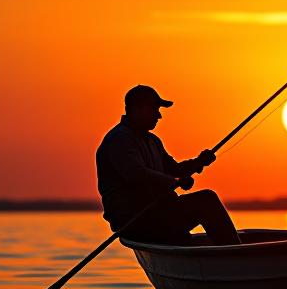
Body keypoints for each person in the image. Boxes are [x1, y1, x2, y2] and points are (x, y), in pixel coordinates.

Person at [96, 85, 240, 245]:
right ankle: (236, 256)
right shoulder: (119, 140)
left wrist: (199, 162)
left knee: (202, 204)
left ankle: (229, 253)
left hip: (159, 214)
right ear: (137, 108)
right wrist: (173, 182)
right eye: (155, 109)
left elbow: (175, 169)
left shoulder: (153, 141)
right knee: (207, 201)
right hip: (136, 221)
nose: (159, 115)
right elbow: (136, 174)